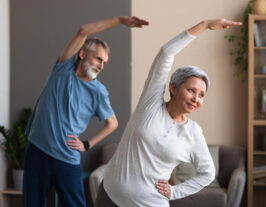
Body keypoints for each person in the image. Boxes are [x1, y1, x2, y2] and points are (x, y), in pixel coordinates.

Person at [95, 19, 242, 207]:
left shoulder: (193, 133)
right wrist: (204, 25)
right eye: (191, 90)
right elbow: (166, 52)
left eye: (201, 95)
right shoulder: (150, 105)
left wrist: (174, 192)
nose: (196, 98)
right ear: (173, 88)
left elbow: (207, 173)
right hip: (109, 197)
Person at [23, 16, 149, 207]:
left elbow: (112, 123)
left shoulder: (98, 92)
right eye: (98, 58)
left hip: (65, 158)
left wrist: (87, 144)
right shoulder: (62, 69)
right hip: (37, 150)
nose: (101, 65)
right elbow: (83, 30)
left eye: (104, 63)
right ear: (82, 54)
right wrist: (120, 20)